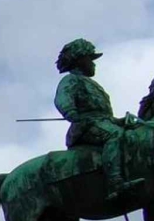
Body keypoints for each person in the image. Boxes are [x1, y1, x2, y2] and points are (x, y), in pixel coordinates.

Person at [53, 37, 144, 202]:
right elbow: (62, 99)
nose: (94, 64)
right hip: (85, 128)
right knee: (115, 136)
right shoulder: (71, 80)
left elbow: (103, 116)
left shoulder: (91, 83)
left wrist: (119, 121)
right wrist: (72, 114)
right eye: (91, 59)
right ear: (80, 61)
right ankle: (115, 183)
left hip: (102, 123)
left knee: (134, 135)